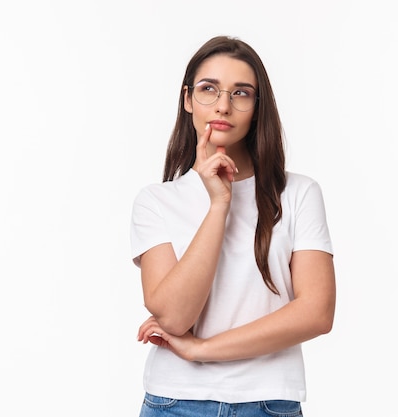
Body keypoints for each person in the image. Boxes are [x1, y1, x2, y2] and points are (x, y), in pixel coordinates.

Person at [129, 35, 336, 416]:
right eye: (209, 89)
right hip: (176, 403)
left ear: (257, 108)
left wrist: (203, 349)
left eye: (241, 93)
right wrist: (219, 205)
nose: (223, 105)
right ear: (187, 99)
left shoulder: (298, 193)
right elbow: (175, 316)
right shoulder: (155, 202)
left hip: (269, 402)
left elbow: (317, 313)